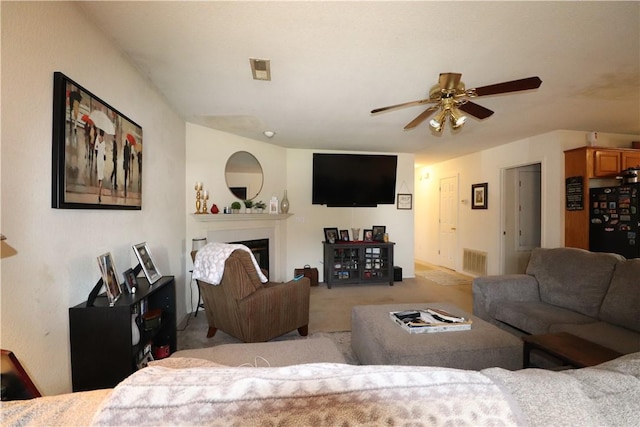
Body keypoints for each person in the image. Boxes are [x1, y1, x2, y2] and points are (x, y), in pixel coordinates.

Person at [95, 130, 106, 202]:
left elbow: (95, 149)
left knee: (99, 176)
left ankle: (99, 193)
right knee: (101, 177)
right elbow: (104, 153)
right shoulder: (104, 142)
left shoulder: (97, 139)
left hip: (98, 159)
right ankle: (99, 194)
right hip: (102, 159)